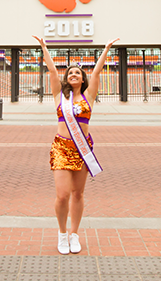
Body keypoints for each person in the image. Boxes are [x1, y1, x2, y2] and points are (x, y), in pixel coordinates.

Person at [32, 35, 119, 255]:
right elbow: (52, 71)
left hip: (82, 149)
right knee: (62, 195)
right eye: (70, 72)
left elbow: (97, 72)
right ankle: (62, 233)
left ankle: (74, 234)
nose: (73, 74)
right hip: (61, 148)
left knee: (78, 194)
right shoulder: (59, 96)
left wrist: (106, 48)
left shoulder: (89, 96)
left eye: (77, 73)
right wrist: (43, 47)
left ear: (82, 79)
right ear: (67, 78)